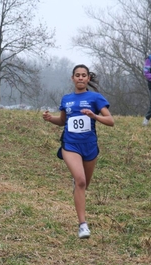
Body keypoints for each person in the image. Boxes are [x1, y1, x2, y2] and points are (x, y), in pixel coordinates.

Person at [42, 64, 114, 239]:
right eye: (77, 75)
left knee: (84, 185)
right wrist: (51, 119)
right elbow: (62, 121)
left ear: (88, 78)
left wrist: (94, 116)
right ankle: (83, 225)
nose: (80, 78)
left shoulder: (95, 97)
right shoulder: (66, 99)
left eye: (84, 75)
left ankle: (78, 188)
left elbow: (111, 120)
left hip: (90, 146)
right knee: (80, 181)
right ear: (72, 78)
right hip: (70, 144)